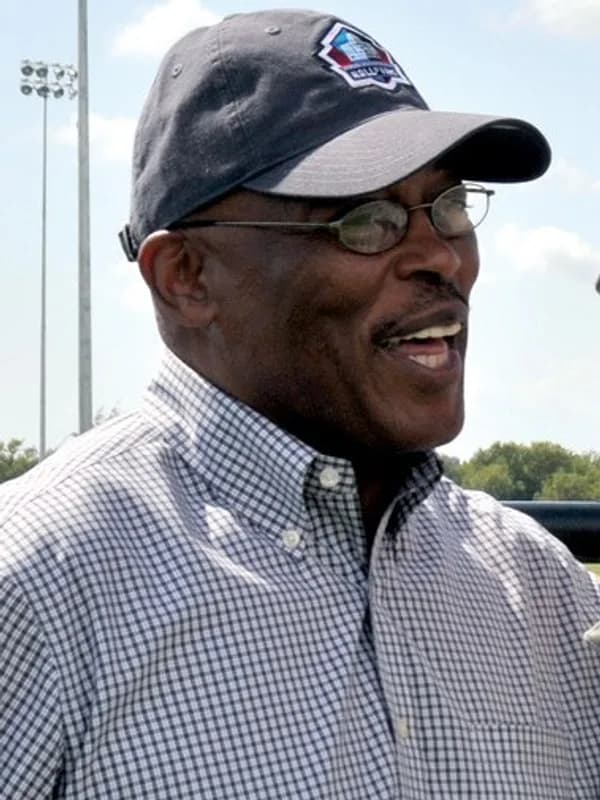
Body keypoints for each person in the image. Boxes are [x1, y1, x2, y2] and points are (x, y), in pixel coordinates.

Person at [1, 9, 599, 799]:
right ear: (187, 277)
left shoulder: (542, 591)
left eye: (450, 205)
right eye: (366, 221)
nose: (440, 256)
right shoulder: (38, 587)